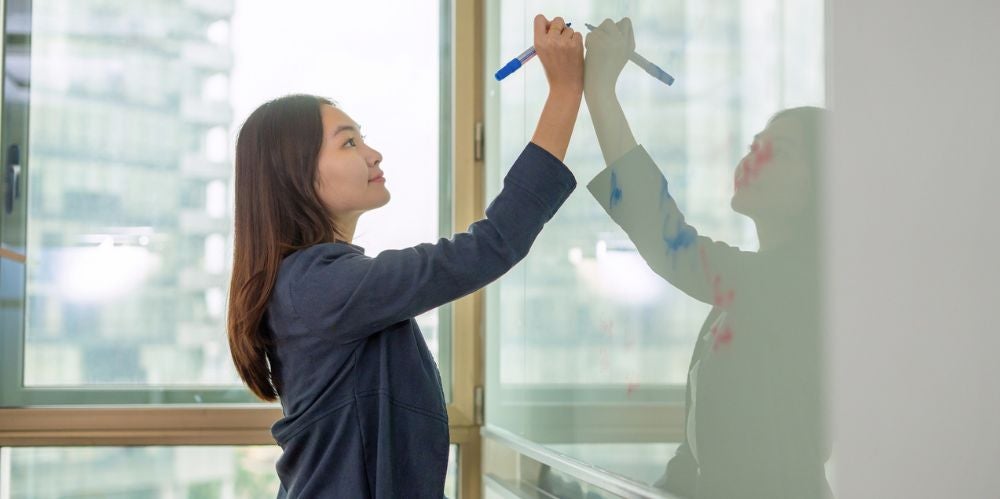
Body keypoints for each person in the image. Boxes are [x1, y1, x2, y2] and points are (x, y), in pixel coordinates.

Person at [226, 14, 583, 498]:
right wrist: (565, 92)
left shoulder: (315, 283)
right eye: (349, 142)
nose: (373, 154)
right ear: (297, 176)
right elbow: (491, 244)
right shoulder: (320, 286)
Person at [584, 18, 831, 499]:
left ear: (821, 183)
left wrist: (600, 92)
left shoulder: (802, 283)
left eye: (775, 151)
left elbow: (671, 246)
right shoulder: (746, 292)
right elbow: (702, 448)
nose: (751, 160)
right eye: (752, 146)